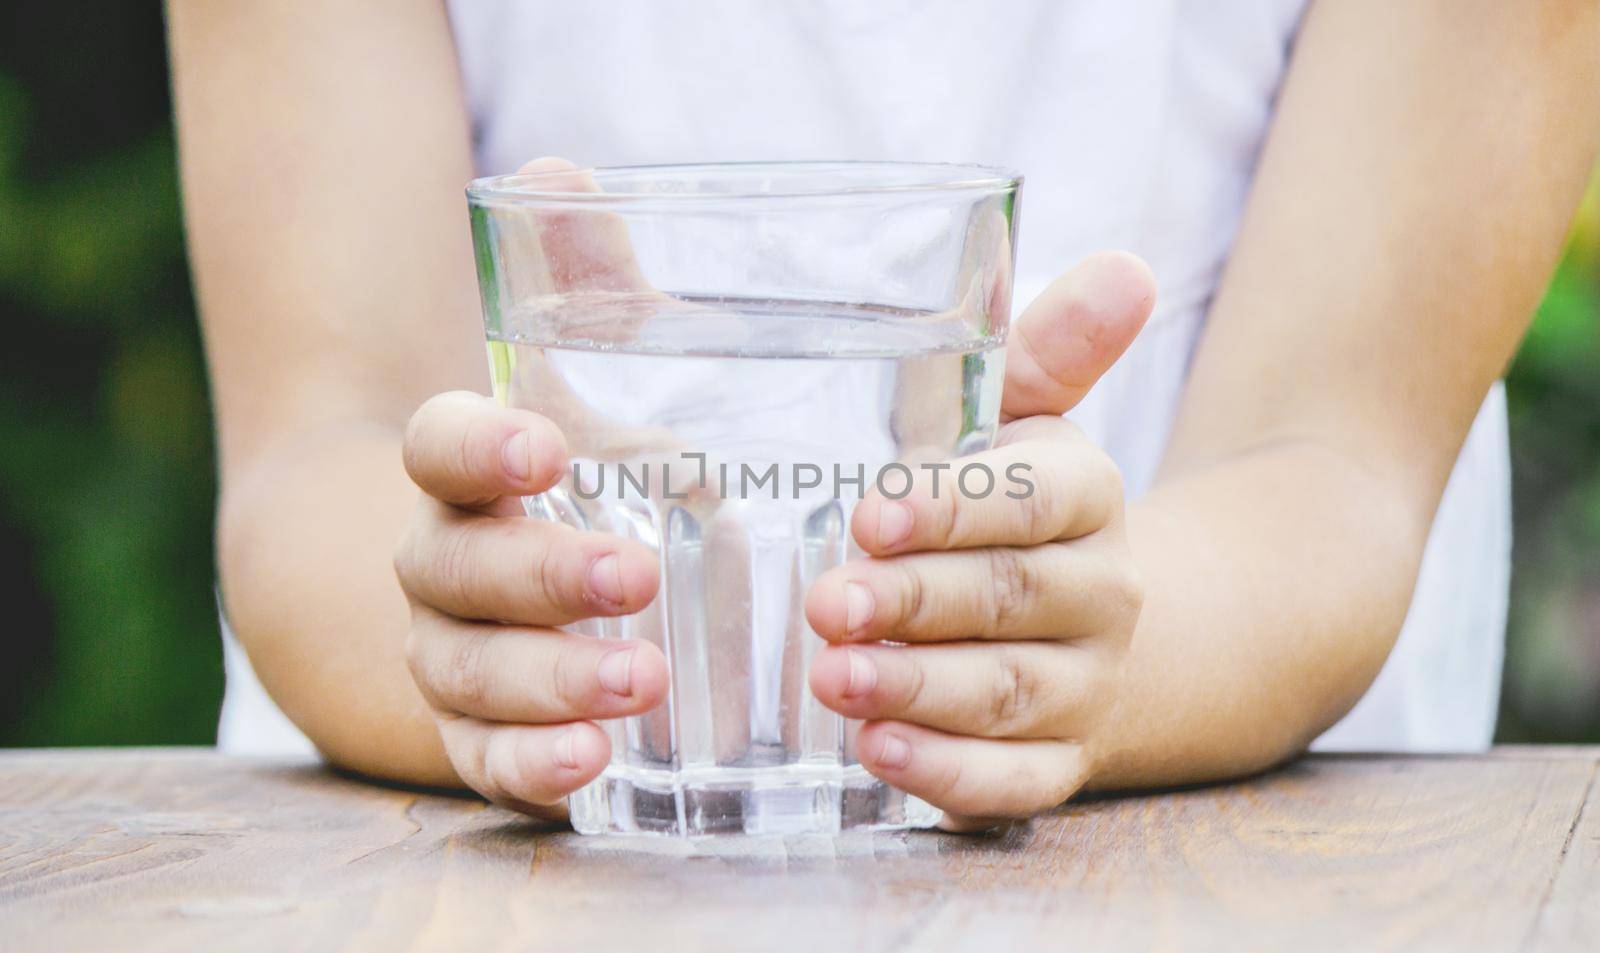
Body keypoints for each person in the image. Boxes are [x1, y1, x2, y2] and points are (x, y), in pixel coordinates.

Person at [166, 0, 1600, 829]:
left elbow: (1336, 460)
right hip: (486, 879)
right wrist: (559, 635)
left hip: (1219, 872)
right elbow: (317, 445)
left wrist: (1085, 642)